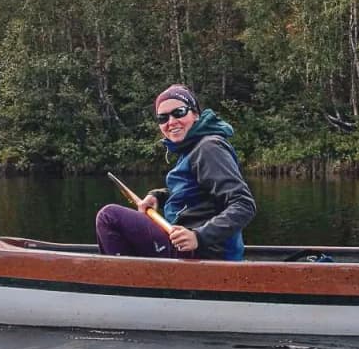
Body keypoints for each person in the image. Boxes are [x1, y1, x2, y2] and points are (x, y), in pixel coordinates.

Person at [96, 84, 256, 260]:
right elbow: (197, 192)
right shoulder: (192, 148)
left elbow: (244, 204)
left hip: (205, 252)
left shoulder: (208, 148)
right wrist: (158, 196)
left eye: (179, 112)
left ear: (195, 114)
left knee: (109, 216)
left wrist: (199, 236)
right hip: (186, 245)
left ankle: (127, 284)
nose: (171, 122)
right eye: (163, 118)